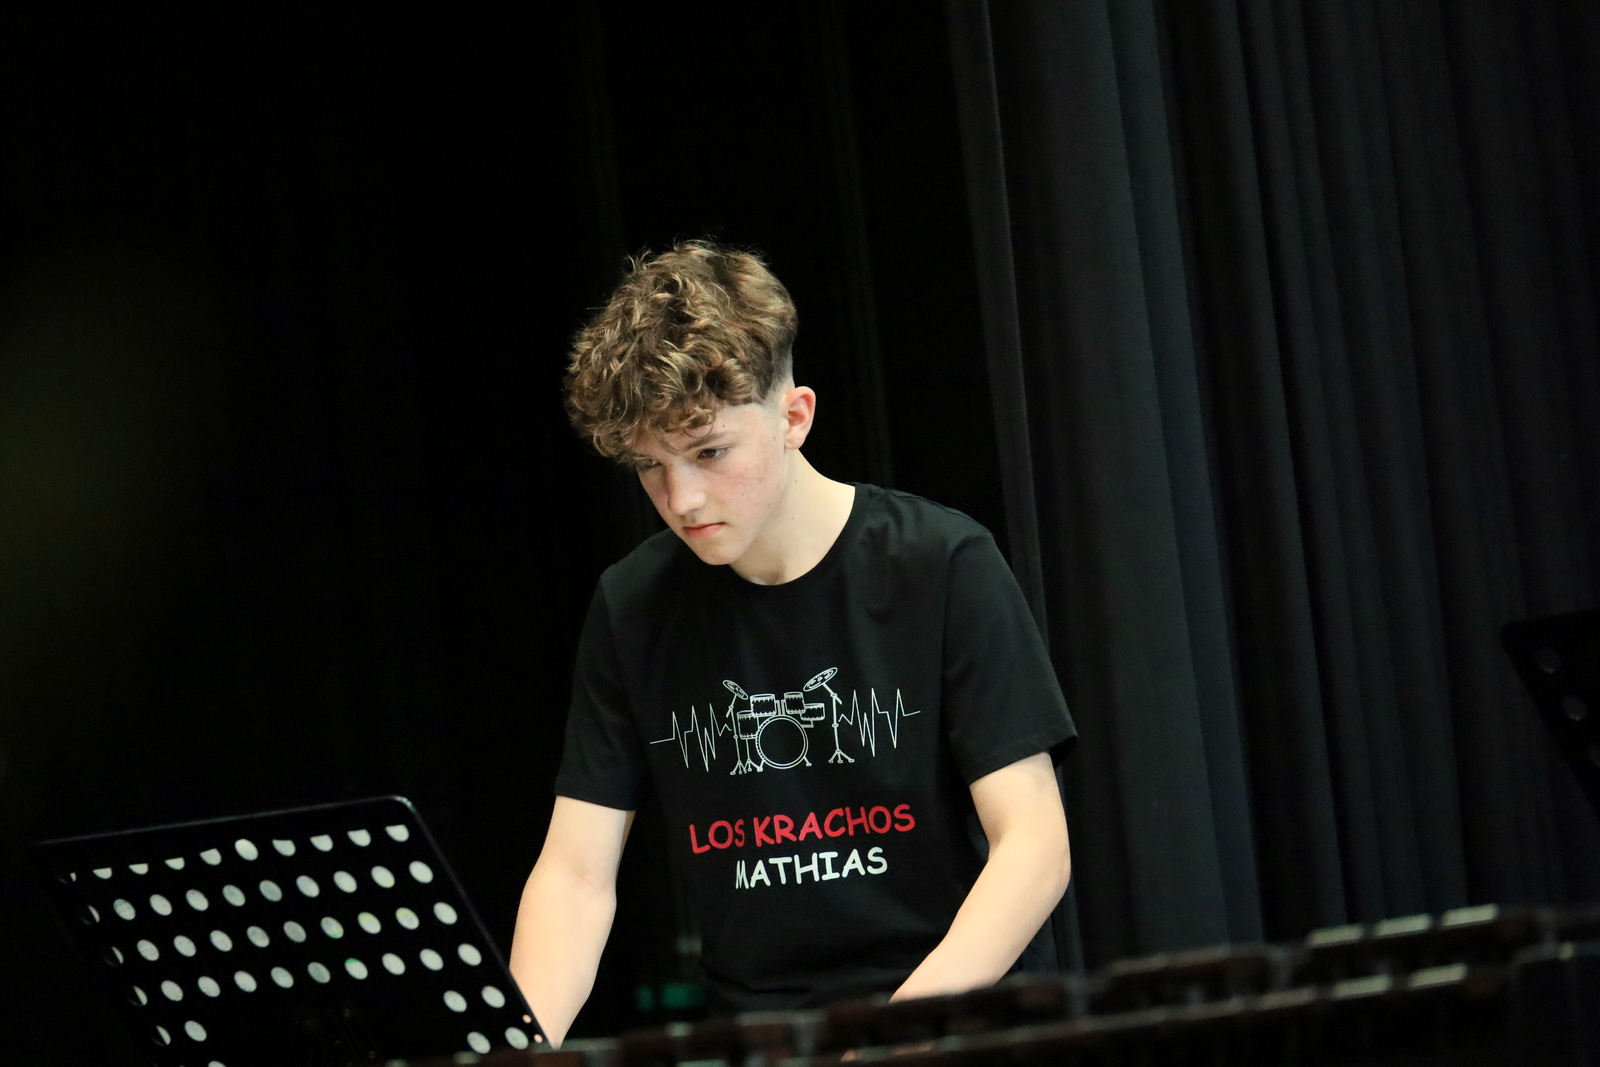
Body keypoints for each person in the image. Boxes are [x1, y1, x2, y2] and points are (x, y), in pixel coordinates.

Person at [509, 240, 1075, 1046]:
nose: (681, 498)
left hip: (951, 1018)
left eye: (709, 452)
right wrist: (522, 1048)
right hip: (762, 1034)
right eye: (650, 465)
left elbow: (1034, 845)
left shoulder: (940, 562)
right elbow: (575, 875)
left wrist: (894, 1035)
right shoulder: (632, 605)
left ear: (794, 418)